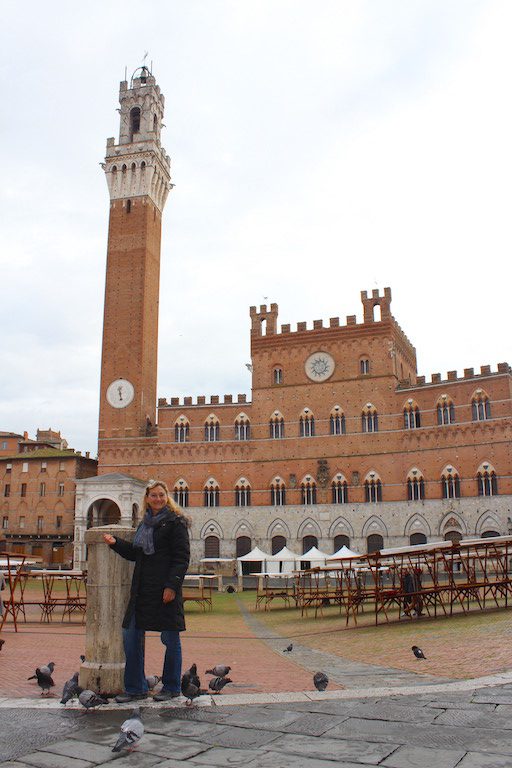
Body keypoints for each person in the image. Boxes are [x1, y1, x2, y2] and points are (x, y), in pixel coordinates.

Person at [103, 480, 190, 703]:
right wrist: (115, 543)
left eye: (162, 495)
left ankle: (171, 686)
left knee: (170, 638)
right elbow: (136, 554)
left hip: (164, 590)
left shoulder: (176, 522)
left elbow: (182, 558)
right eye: (154, 495)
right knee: (130, 635)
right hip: (142, 590)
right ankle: (135, 688)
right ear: (147, 498)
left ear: (167, 496)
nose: (158, 499)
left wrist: (172, 586)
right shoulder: (145, 525)